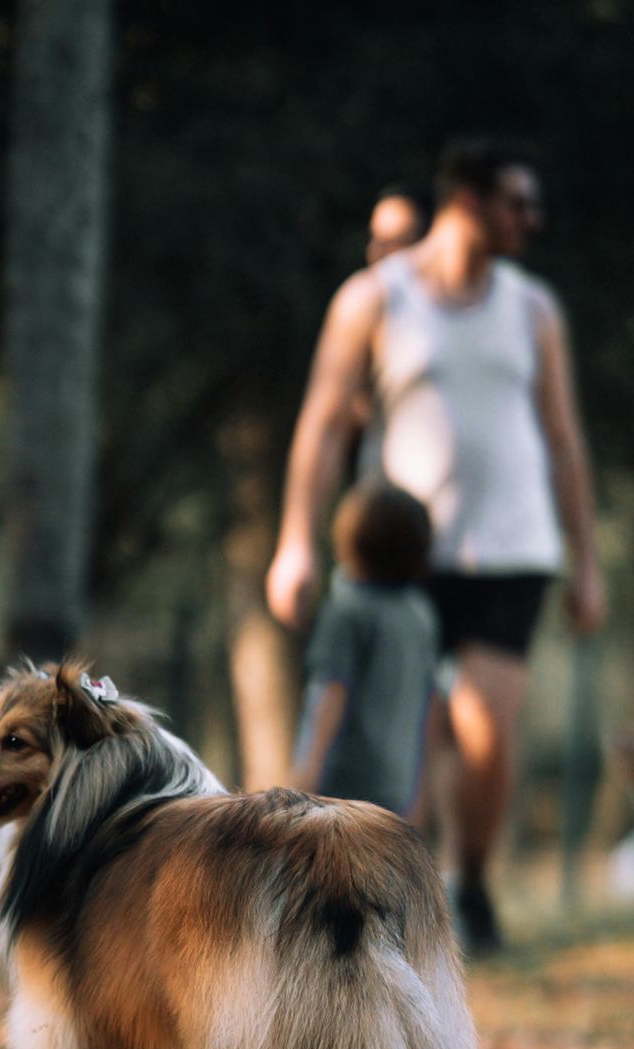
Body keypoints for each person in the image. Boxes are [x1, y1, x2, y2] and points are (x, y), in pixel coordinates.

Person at [266, 136, 605, 950]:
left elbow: (563, 439)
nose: (533, 219)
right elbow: (318, 425)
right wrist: (295, 544)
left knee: (485, 728)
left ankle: (473, 882)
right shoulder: (375, 298)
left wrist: (585, 560)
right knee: (400, 733)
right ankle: (385, 900)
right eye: (518, 203)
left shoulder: (532, 308)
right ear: (468, 202)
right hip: (400, 556)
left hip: (514, 547)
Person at [292, 483, 436, 817]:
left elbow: (330, 692)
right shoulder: (420, 613)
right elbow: (430, 702)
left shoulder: (347, 611)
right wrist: (422, 787)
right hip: (399, 786)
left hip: (341, 787)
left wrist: (306, 772)